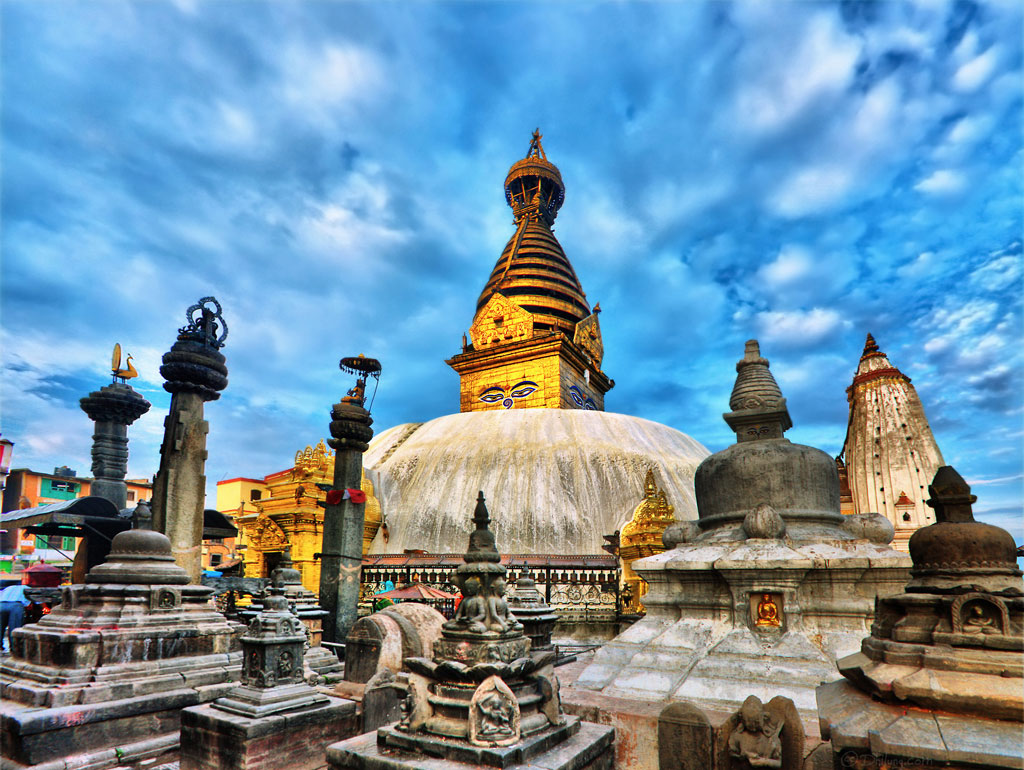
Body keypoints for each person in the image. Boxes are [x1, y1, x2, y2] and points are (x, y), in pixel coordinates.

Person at [1, 580, 31, 653]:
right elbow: (38, 601)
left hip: (1, 604)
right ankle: (14, 647)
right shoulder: (28, 588)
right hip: (16, 605)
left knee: (0, 626)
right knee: (14, 626)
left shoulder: (9, 587)